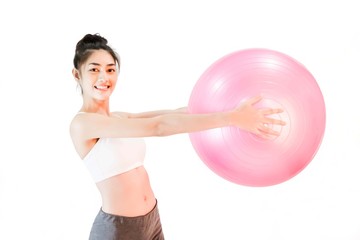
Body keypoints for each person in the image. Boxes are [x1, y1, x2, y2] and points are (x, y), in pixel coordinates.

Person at [69, 33, 286, 240]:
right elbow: (159, 127)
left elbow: (175, 113)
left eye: (110, 69)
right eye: (94, 70)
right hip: (118, 229)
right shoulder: (83, 124)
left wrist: (231, 107)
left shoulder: (118, 118)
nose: (104, 77)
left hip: (151, 219)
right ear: (77, 74)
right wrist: (232, 118)